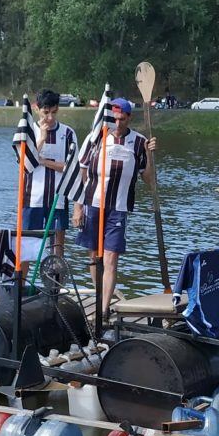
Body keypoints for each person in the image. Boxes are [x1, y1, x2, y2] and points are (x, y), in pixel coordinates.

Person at [72, 98, 156, 318]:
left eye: (122, 119)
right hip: (93, 204)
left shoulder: (139, 142)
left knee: (110, 258)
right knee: (94, 256)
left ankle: (102, 309)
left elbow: (149, 180)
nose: (117, 124)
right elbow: (82, 173)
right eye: (114, 119)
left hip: (118, 209)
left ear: (129, 118)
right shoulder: (95, 138)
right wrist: (78, 206)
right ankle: (101, 293)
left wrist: (149, 155)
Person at [22, 89, 78, 259]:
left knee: (57, 248)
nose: (50, 118)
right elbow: (24, 165)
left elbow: (71, 169)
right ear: (37, 109)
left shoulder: (68, 133)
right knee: (26, 246)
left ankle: (55, 286)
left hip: (58, 200)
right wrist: (42, 139)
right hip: (32, 199)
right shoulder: (28, 132)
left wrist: (44, 161)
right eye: (46, 113)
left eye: (54, 112)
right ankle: (22, 285)